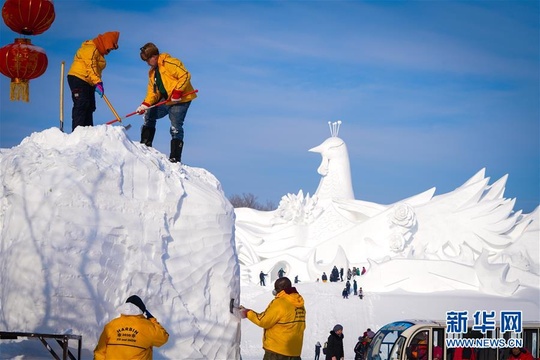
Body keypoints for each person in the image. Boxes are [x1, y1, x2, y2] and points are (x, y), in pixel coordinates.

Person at [137, 42, 197, 163]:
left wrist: (177, 92)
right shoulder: (153, 73)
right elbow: (153, 92)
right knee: (149, 114)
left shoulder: (169, 63)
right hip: (167, 99)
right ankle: (145, 145)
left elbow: (185, 75)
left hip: (180, 100)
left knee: (175, 126)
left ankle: (175, 158)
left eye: (148, 60)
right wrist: (145, 104)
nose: (147, 63)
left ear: (154, 56)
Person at [239, 277, 306, 359]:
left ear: (280, 289)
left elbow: (263, 321)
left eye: (276, 288)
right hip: (295, 353)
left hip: (277, 353)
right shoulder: (300, 304)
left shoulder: (280, 303)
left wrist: (247, 312)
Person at [67, 31, 120, 131]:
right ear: (106, 43)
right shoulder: (90, 49)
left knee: (90, 106)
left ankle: (88, 131)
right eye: (110, 47)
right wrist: (97, 82)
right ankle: (78, 131)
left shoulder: (99, 53)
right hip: (79, 78)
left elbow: (95, 71)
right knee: (82, 103)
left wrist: (96, 82)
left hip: (89, 81)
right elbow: (91, 67)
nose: (110, 51)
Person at [94, 295, 169, 359]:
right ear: (142, 309)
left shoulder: (111, 325)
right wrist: (151, 318)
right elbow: (163, 337)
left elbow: (100, 352)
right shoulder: (148, 327)